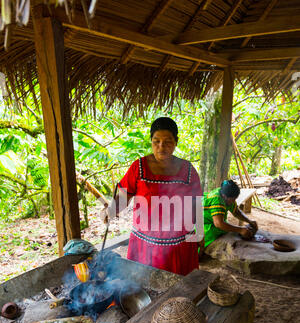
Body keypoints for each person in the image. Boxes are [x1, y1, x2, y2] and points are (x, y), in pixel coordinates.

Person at [100, 117, 203, 275]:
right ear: (151, 141)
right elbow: (123, 197)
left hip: (179, 246)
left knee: (178, 291)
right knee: (143, 288)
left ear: (176, 142)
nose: (161, 146)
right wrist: (110, 211)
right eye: (156, 141)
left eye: (168, 141)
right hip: (145, 246)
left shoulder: (188, 170)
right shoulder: (139, 167)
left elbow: (196, 205)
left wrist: (199, 235)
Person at [203, 179, 258, 249]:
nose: (234, 201)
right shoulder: (217, 200)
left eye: (235, 199)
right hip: (197, 220)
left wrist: (249, 221)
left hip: (211, 219)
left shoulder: (226, 193)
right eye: (232, 199)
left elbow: (236, 212)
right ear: (224, 196)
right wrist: (240, 230)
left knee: (226, 227)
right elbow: (218, 224)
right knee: (213, 233)